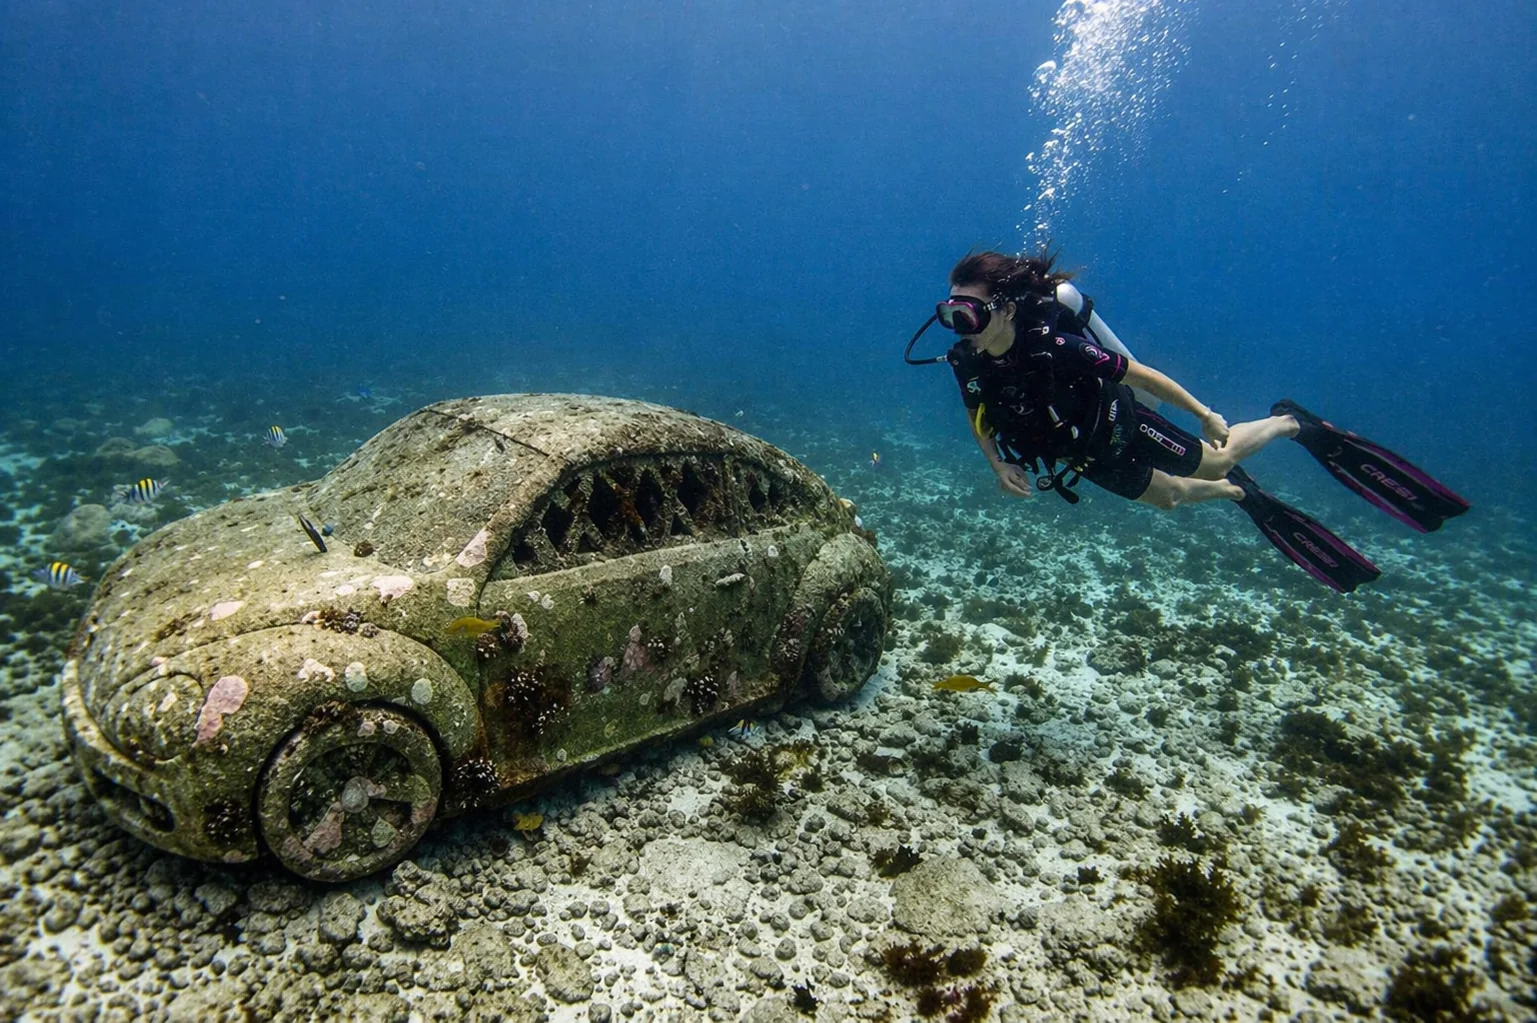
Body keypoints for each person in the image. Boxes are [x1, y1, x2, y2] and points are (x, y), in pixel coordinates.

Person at [920, 250, 1469, 593]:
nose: (957, 326)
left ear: (1008, 308)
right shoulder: (967, 360)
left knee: (1217, 458)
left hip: (1122, 424)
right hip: (1079, 457)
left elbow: (1145, 377)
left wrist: (1205, 414)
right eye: (949, 314)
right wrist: (995, 465)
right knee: (1172, 499)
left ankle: (1290, 423)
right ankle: (1238, 495)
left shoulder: (1054, 347)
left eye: (966, 313)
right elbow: (979, 415)